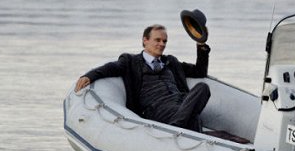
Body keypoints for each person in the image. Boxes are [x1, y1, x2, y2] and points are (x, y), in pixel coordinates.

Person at [74, 24, 211, 132]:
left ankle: (176, 127)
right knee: (193, 118)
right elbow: (110, 68)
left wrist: (201, 44)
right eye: (157, 40)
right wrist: (89, 76)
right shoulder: (131, 61)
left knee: (203, 88)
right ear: (145, 40)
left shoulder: (171, 62)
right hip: (156, 109)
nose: (162, 44)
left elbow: (199, 71)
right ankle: (179, 129)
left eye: (164, 41)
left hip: (181, 104)